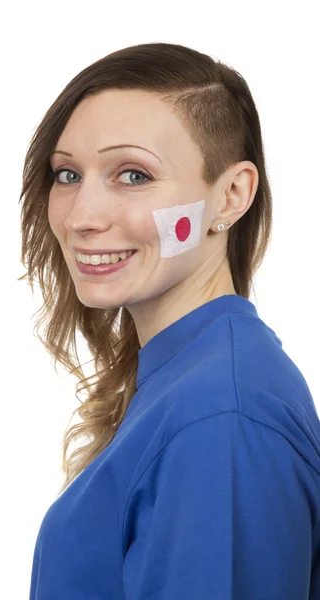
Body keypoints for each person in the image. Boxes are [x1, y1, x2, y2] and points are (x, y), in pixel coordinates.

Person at [19, 42, 320, 599]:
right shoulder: (184, 377)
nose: (82, 216)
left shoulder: (221, 411)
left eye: (133, 175)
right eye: (67, 175)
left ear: (231, 196)